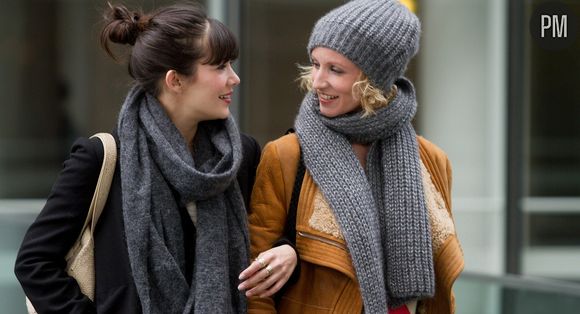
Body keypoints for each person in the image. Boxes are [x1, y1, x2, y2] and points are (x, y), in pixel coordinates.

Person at [14, 3, 263, 313]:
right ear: (175, 80)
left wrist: (285, 252)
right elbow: (34, 264)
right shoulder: (102, 158)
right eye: (220, 66)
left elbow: (270, 238)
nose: (234, 78)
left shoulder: (238, 157)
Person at [245, 0, 464, 313]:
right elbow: (256, 289)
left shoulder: (431, 160)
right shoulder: (285, 156)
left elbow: (441, 289)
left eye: (335, 69)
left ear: (375, 78)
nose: (318, 81)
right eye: (316, 64)